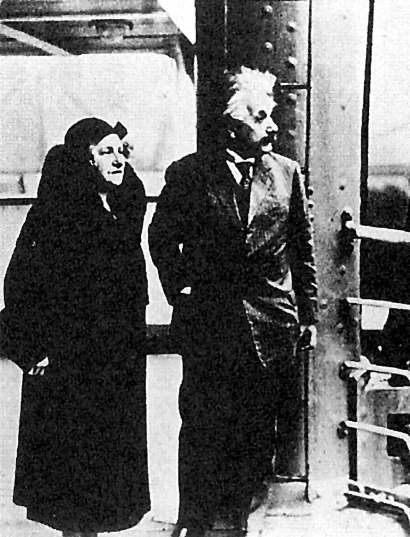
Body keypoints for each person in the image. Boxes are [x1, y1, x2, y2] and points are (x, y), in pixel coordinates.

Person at [149, 67, 318, 537]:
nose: (272, 126)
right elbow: (161, 237)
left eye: (270, 116)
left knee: (257, 429)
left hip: (271, 323)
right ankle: (195, 520)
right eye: (259, 117)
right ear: (231, 124)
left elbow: (302, 249)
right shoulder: (190, 174)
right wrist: (181, 288)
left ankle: (237, 519)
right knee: (202, 425)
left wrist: (308, 315)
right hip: (210, 321)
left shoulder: (287, 173)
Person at [2, 118, 150, 537]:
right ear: (84, 161)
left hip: (115, 359)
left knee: (106, 467)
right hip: (69, 361)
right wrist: (32, 347)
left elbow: (134, 193)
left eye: (121, 150)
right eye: (106, 152)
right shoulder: (56, 213)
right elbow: (19, 282)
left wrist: (118, 151)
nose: (119, 159)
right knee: (72, 472)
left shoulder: (120, 208)